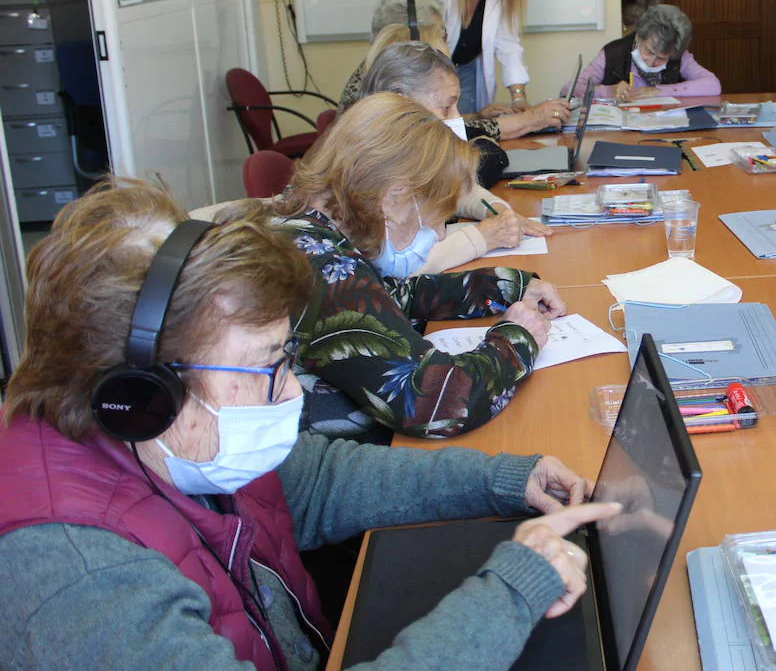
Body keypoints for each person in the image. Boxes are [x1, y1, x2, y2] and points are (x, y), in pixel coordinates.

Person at [0, 177, 619, 668]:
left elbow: (320, 482)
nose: (290, 390)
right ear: (147, 391)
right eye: (269, 364)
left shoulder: (175, 440)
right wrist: (512, 591)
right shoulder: (80, 576)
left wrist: (507, 480)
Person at [273, 92, 569, 441]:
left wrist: (507, 287)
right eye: (438, 217)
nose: (441, 234)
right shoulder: (323, 268)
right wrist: (518, 339)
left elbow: (393, 296)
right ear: (394, 198)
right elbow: (436, 404)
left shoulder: (313, 229)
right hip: (333, 468)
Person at [353, 40, 551, 263]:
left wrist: (496, 209)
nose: (456, 119)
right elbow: (399, 264)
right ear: (400, 101)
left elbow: (456, 190)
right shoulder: (374, 167)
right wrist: (483, 238)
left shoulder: (411, 151)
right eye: (446, 107)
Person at [342, 0, 569, 139]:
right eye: (441, 35)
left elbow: (434, 122)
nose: (446, 43)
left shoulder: (377, 68)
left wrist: (478, 117)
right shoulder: (386, 82)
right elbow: (443, 134)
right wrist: (529, 119)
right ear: (416, 38)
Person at [567, 4, 721, 101]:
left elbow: (712, 85)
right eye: (648, 51)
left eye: (661, 58)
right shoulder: (614, 53)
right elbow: (569, 90)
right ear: (639, 36)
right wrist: (609, 90)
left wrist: (658, 91)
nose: (651, 62)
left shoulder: (678, 55)